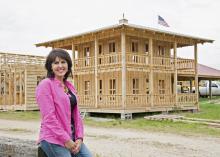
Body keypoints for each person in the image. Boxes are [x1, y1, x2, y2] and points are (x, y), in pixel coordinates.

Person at [36, 48, 92, 157]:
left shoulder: (69, 86)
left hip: (72, 137)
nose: (60, 66)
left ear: (68, 65)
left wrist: (79, 138)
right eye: (56, 63)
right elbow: (49, 118)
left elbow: (76, 115)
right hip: (52, 138)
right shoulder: (45, 85)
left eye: (63, 62)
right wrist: (66, 140)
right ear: (50, 67)